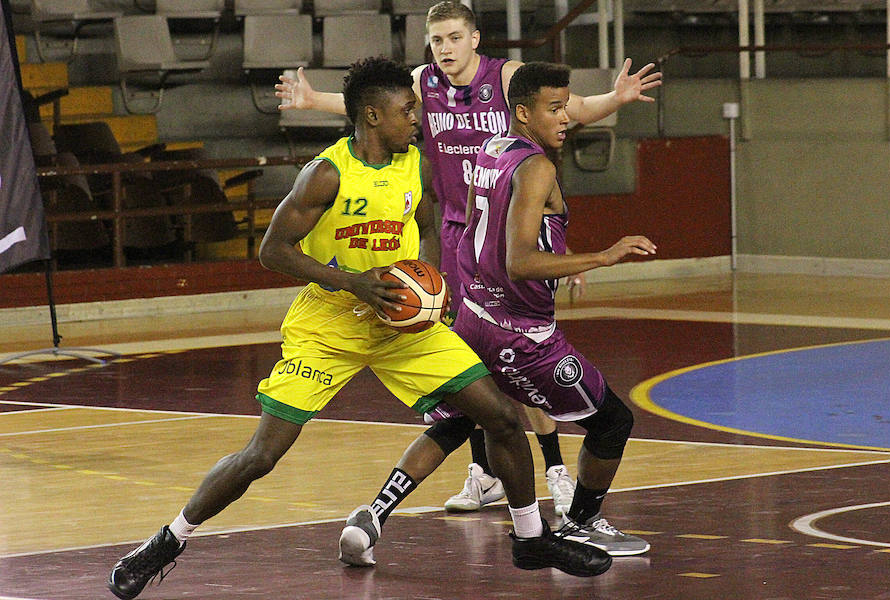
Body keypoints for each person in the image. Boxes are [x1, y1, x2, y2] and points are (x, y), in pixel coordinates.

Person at [106, 57, 612, 600]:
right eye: (406, 110)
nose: (417, 118)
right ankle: (168, 540)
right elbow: (272, 251)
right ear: (372, 116)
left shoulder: (414, 163)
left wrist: (431, 279)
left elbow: (428, 219)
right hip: (330, 324)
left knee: (501, 417)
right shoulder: (327, 173)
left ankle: (531, 539)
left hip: (399, 319)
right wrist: (351, 283)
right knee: (262, 455)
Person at [275, 0, 662, 516]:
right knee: (475, 358)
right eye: (437, 40)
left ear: (475, 39)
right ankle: (484, 474)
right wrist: (309, 98)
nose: (445, 49)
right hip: (457, 234)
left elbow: (568, 109)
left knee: (516, 349)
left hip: (509, 234)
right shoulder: (422, 83)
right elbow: (370, 106)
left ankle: (554, 469)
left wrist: (615, 98)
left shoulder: (507, 81)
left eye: (455, 37)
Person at [336, 62, 657, 568]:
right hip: (524, 336)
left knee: (460, 420)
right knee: (613, 421)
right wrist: (601, 255)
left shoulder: (491, 149)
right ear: (524, 112)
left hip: (474, 315)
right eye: (555, 109)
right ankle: (582, 521)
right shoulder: (537, 167)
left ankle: (372, 515)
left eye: (567, 107)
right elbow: (520, 260)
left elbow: (469, 226)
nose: (566, 118)